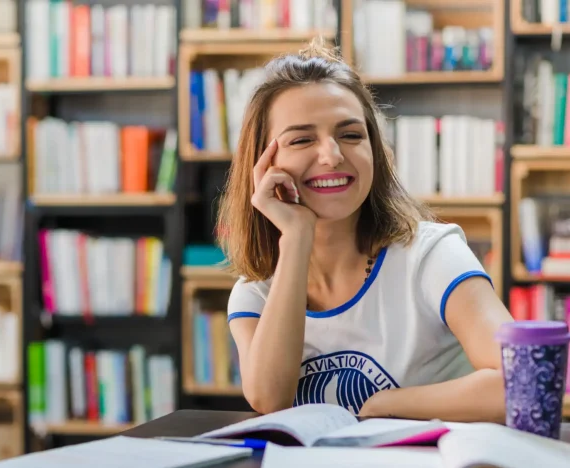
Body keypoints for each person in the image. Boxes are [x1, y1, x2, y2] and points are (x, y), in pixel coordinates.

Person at [215, 38, 514, 423]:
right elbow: (269, 399)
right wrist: (296, 240)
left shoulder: (431, 256)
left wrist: (386, 405)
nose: (333, 155)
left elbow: (520, 383)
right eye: (302, 139)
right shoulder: (255, 292)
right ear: (262, 163)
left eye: (351, 135)